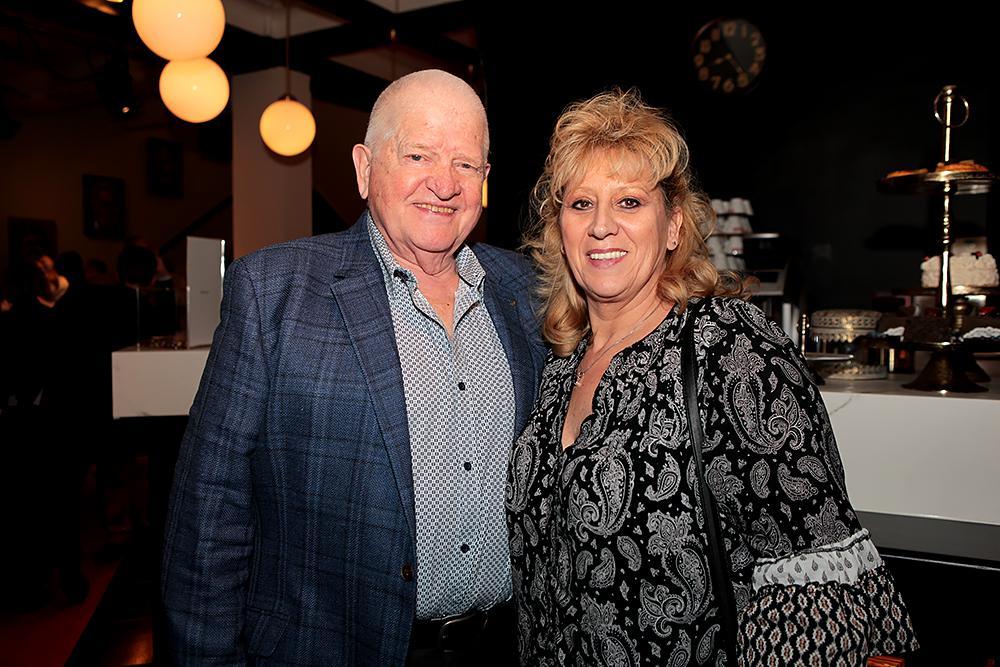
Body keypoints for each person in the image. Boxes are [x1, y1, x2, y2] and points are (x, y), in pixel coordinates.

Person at [507, 90, 919, 665]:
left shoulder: (728, 346)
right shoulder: (560, 364)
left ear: (673, 226)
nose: (601, 226)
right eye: (581, 204)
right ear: (560, 229)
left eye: (629, 202)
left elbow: (811, 568)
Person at [162, 69, 545, 665]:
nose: (444, 183)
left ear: (485, 179)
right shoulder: (274, 292)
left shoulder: (526, 288)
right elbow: (210, 510)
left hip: (504, 647)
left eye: (466, 164)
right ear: (365, 168)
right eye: (418, 155)